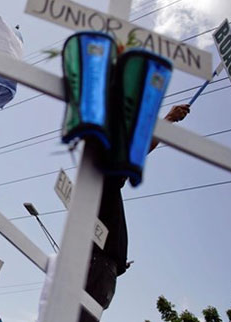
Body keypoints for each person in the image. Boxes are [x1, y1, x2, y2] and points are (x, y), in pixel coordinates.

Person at [80, 104, 191, 321]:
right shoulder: (103, 173)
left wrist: (119, 262)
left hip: (104, 267)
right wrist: (167, 120)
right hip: (98, 265)